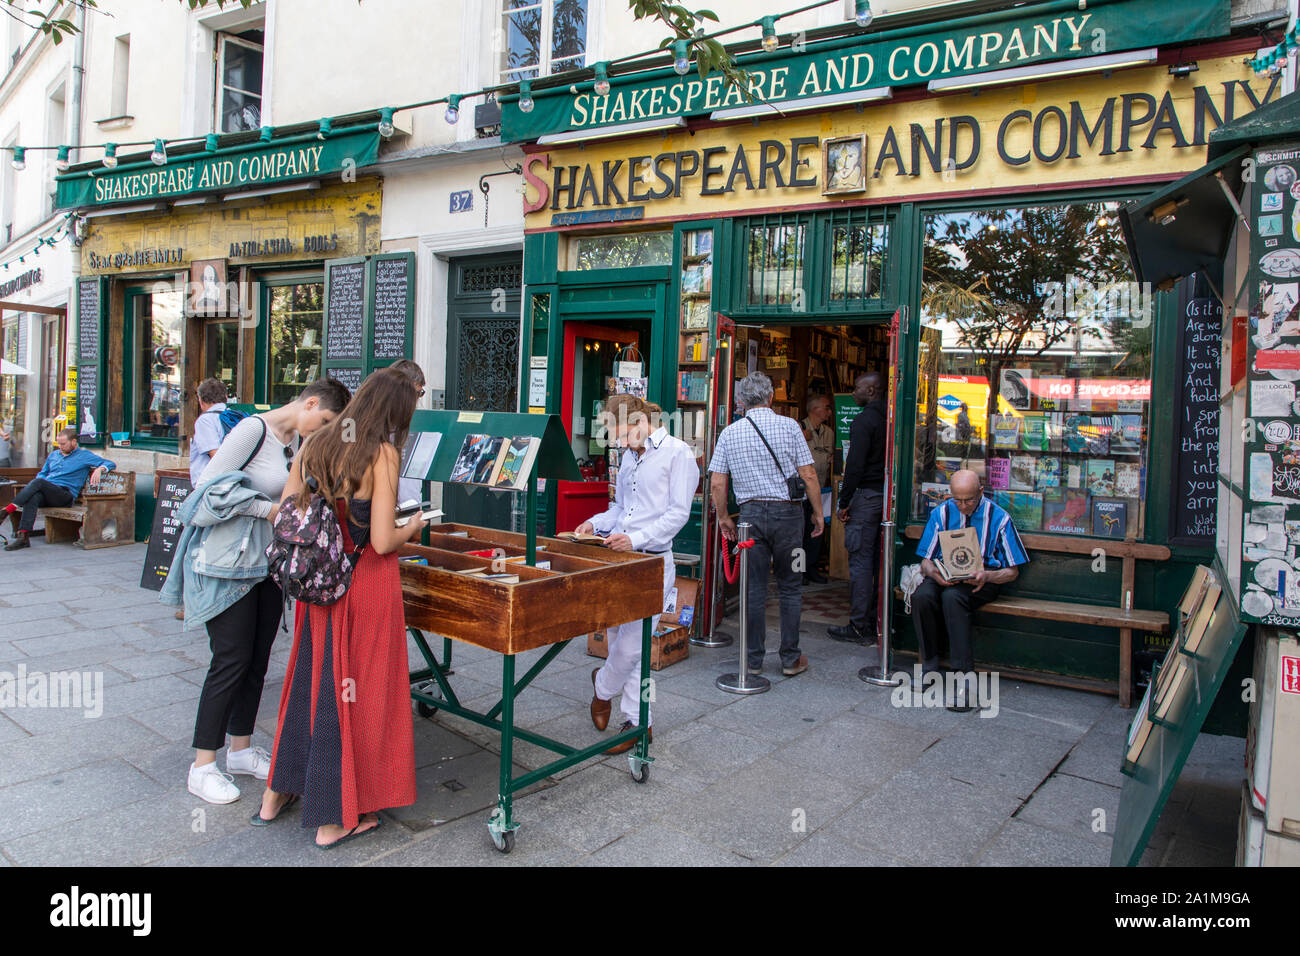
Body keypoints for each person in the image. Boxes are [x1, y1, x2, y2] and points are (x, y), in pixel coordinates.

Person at [252, 369, 423, 847]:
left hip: (316, 585)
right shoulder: (382, 454)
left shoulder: (316, 443)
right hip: (364, 583)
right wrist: (417, 526)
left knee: (310, 682)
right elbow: (385, 539)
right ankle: (335, 817)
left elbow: (287, 512)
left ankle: (277, 794)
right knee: (356, 695)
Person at [181, 378, 351, 804]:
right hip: (229, 564)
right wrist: (270, 509)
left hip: (268, 564)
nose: (324, 429)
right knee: (230, 660)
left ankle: (239, 749)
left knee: (257, 660)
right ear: (310, 402)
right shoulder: (252, 431)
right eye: (326, 420)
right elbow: (207, 488)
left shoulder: (294, 442)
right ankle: (202, 765)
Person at [575, 393, 697, 752]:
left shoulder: (679, 453)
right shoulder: (629, 456)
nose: (620, 443)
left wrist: (636, 538)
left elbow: (678, 514)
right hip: (619, 562)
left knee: (632, 647)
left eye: (623, 434)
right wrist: (593, 523)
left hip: (654, 561)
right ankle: (637, 722)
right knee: (622, 641)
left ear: (641, 423)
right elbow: (621, 508)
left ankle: (602, 689)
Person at [708, 372, 822, 677]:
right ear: (771, 397)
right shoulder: (790, 427)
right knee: (791, 586)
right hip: (789, 518)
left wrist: (723, 518)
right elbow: (808, 474)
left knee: (754, 588)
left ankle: (754, 660)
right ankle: (790, 658)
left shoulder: (730, 433)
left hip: (750, 518)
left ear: (741, 401)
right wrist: (819, 513)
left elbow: (718, 482)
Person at [911, 469, 1030, 712]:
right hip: (946, 575)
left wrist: (987, 575)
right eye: (958, 500)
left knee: (953, 598)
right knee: (921, 596)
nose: (963, 506)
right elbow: (926, 561)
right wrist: (933, 572)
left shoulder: (999, 518)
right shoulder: (942, 513)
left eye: (969, 500)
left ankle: (965, 679)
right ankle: (929, 668)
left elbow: (1012, 571)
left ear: (981, 492)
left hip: (983, 580)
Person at [828, 372, 887, 646]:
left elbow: (854, 465)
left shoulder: (864, 420)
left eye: (857, 388)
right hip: (882, 496)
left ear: (872, 390)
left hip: (864, 497)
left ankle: (859, 625)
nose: (853, 393)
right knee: (876, 560)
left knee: (861, 562)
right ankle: (877, 620)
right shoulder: (889, 417)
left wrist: (844, 500)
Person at [3, 427, 115, 552]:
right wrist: (39, 485)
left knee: (39, 483)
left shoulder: (84, 456)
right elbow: (42, 474)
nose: (60, 447)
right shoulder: (54, 455)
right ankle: (23, 537)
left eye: (63, 444)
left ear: (73, 442)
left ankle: (7, 511)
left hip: (65, 495)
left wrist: (100, 469)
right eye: (58, 443)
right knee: (33, 497)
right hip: (47, 491)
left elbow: (110, 463)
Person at [800, 394, 834, 585]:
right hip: (802, 490)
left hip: (821, 489)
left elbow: (830, 457)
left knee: (816, 530)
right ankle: (800, 570)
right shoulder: (798, 428)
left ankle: (812, 568)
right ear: (814, 409)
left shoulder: (828, 432)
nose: (829, 412)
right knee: (801, 530)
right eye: (826, 407)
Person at [387, 359, 427, 506]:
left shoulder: (411, 426)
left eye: (419, 394)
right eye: (414, 393)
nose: (415, 400)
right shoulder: (382, 428)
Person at [189, 377, 231, 486]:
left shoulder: (205, 420)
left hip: (211, 484)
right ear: (225, 398)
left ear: (200, 400)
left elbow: (215, 454)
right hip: (232, 482)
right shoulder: (233, 416)